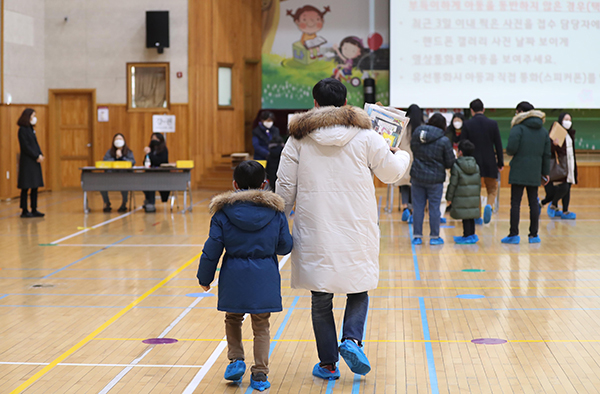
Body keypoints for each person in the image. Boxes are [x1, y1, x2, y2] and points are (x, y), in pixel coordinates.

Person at [276, 78, 410, 381]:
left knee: (321, 298)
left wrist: (279, 217)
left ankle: (328, 363)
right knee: (358, 286)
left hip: (315, 227)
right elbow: (390, 173)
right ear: (346, 103)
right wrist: (401, 153)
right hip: (356, 226)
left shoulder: (298, 138)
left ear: (315, 103)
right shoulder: (367, 136)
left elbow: (285, 187)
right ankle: (352, 340)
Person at [197, 160, 293, 391]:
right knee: (261, 326)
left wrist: (204, 278)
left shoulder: (222, 213)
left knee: (233, 318)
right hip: (265, 275)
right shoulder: (275, 213)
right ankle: (260, 374)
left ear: (234, 184)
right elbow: (284, 247)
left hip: (234, 275)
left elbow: (213, 248)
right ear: (264, 184)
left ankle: (236, 360)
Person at [502, 101, 551, 244]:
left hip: (518, 169)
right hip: (535, 171)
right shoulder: (543, 131)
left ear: (521, 112)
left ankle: (513, 235)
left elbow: (511, 149)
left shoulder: (518, 128)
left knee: (515, 203)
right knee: (533, 203)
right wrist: (545, 173)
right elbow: (546, 154)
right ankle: (534, 235)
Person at [410, 113, 455, 245]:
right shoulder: (444, 140)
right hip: (435, 180)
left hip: (417, 176)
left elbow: (413, 150)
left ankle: (417, 236)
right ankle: (434, 237)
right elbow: (449, 163)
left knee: (418, 207)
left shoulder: (417, 134)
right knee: (434, 208)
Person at [460, 99, 504, 224]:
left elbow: (463, 144)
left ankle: (477, 216)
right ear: (483, 110)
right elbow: (498, 145)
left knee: (476, 190)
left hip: (473, 162)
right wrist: (500, 162)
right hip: (490, 161)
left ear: (471, 111)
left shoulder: (467, 124)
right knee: (492, 189)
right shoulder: (492, 124)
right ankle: (489, 205)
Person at [541, 112, 578, 219]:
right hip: (560, 166)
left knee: (568, 186)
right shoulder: (556, 132)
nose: (568, 122)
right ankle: (553, 204)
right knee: (564, 187)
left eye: (570, 119)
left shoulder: (570, 134)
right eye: (566, 119)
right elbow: (548, 149)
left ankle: (564, 210)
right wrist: (554, 145)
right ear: (561, 120)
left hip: (570, 164)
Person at [446, 140, 481, 244]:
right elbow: (478, 183)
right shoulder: (476, 166)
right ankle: (471, 235)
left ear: (460, 152)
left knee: (465, 217)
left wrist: (449, 197)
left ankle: (466, 236)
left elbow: (453, 183)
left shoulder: (456, 166)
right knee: (470, 216)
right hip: (473, 196)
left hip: (461, 196)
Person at [17, 108, 45, 218]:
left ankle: (34, 208)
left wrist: (40, 154)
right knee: (26, 186)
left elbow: (35, 144)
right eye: (33, 116)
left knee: (35, 186)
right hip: (27, 161)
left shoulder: (30, 129)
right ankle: (24, 209)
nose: (34, 118)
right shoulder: (22, 130)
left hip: (34, 161)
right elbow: (25, 146)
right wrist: (35, 155)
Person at [397, 104, 422, 222]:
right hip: (417, 160)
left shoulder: (403, 126)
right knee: (414, 186)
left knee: (403, 184)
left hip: (403, 158)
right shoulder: (421, 127)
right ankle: (412, 210)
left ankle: (405, 207)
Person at [100, 133, 135, 212]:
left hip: (124, 176)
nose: (118, 141)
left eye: (120, 139)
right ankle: (107, 202)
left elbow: (132, 162)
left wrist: (122, 157)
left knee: (124, 185)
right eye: (116, 139)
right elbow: (105, 161)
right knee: (101, 184)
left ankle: (124, 203)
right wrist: (115, 158)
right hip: (111, 176)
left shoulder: (128, 152)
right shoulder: (109, 152)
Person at [143, 133, 169, 213]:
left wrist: (149, 154)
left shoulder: (164, 150)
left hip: (162, 175)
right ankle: (149, 200)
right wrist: (147, 154)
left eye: (156, 139)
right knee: (145, 182)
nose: (154, 141)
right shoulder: (150, 149)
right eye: (152, 138)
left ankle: (151, 202)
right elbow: (145, 162)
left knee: (151, 182)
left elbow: (160, 161)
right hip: (150, 174)